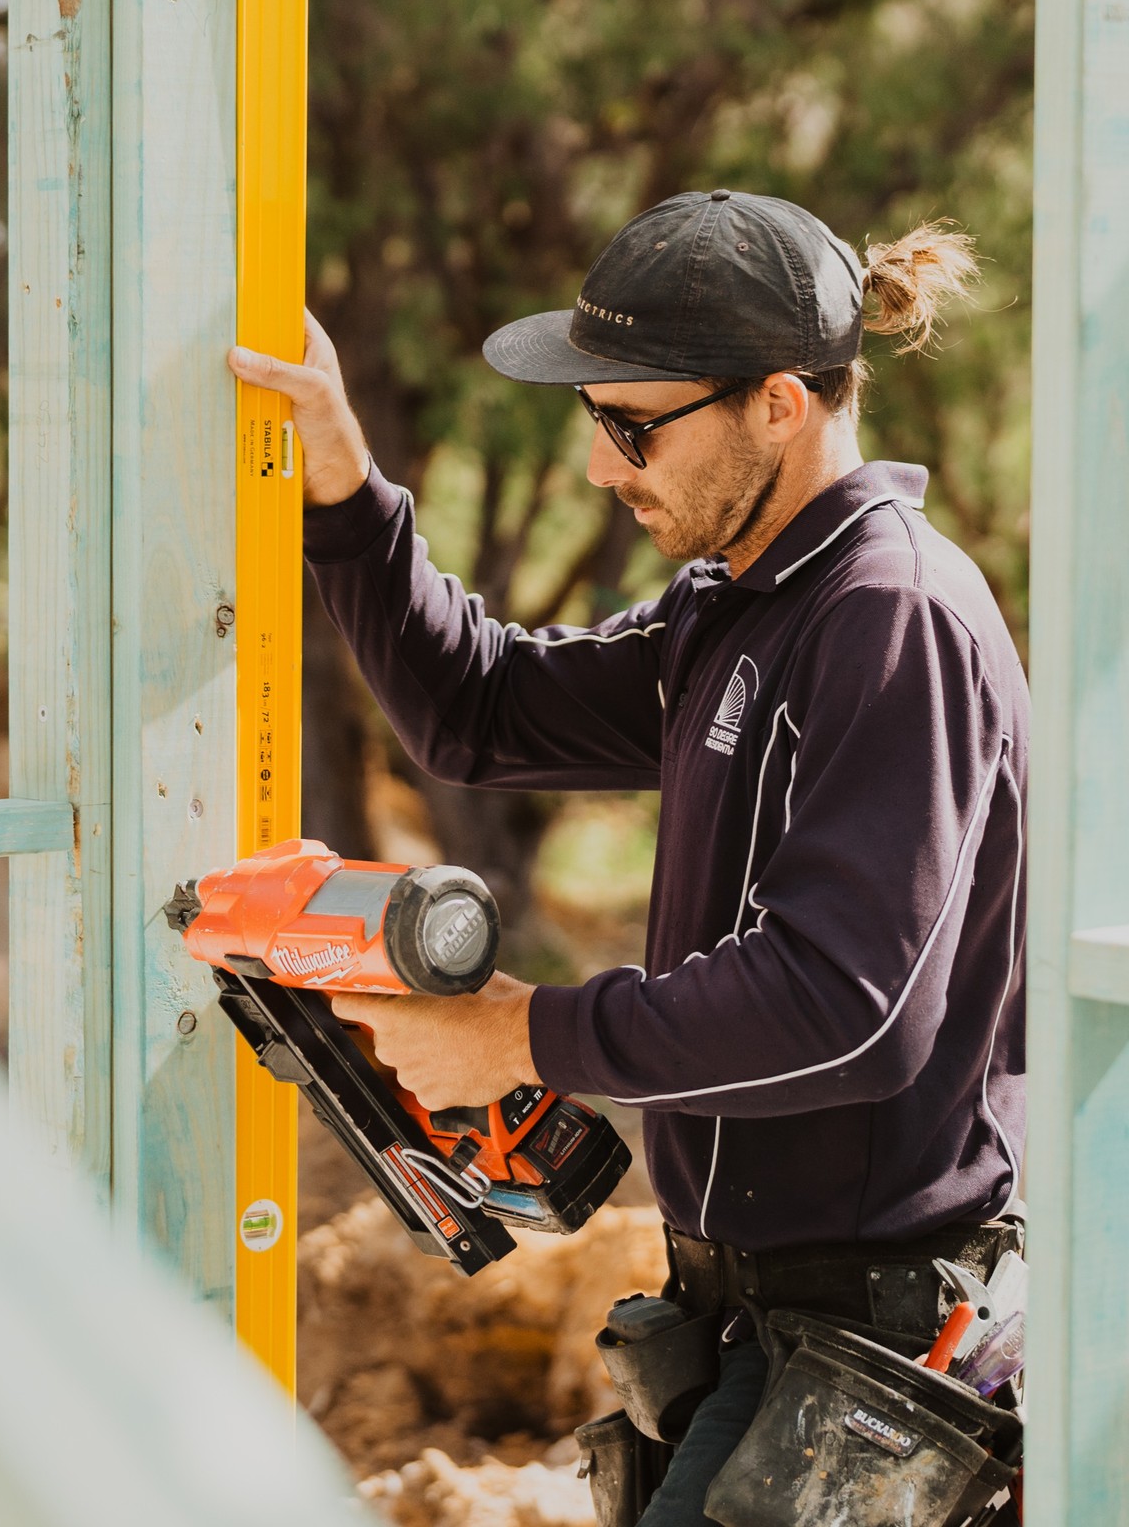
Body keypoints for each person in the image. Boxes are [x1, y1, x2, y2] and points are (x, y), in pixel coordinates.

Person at [229, 189, 1026, 1523]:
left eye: (634, 424)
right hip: (752, 1325)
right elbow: (473, 709)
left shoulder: (889, 618)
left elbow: (847, 1010)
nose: (603, 467)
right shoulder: (740, 607)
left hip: (881, 1343)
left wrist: (523, 1037)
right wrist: (345, 481)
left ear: (782, 403)